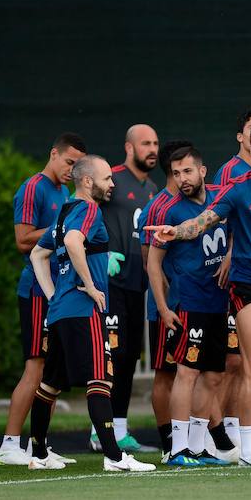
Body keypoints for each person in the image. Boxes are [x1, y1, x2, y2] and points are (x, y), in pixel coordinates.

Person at [146, 122, 251, 466]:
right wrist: (175, 231)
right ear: (249, 150)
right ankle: (248, 448)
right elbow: (202, 222)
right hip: (247, 287)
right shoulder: (236, 189)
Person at [28, 154, 156, 472]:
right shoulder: (87, 208)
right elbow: (73, 242)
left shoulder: (65, 211)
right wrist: (90, 285)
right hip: (84, 309)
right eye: (106, 178)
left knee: (50, 383)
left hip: (60, 311)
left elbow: (38, 254)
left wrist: (54, 295)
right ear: (88, 182)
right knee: (101, 378)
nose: (112, 183)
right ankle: (114, 457)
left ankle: (39, 454)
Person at [0, 133, 86, 466]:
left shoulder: (64, 190)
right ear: (53, 154)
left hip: (57, 291)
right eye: (68, 162)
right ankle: (9, 445)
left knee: (52, 373)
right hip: (36, 290)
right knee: (35, 368)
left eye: (78, 165)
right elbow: (22, 239)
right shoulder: (34, 187)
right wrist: (63, 229)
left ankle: (39, 446)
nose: (72, 170)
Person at [148, 147, 233, 466]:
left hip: (219, 303)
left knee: (213, 377)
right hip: (188, 303)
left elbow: (242, 227)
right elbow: (153, 263)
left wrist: (230, 255)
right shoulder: (170, 211)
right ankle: (177, 448)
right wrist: (162, 307)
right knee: (186, 372)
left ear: (202, 170)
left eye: (187, 171)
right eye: (176, 173)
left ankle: (198, 447)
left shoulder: (222, 200)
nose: (181, 178)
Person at [96, 124, 159, 453]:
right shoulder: (111, 178)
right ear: (129, 147)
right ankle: (100, 431)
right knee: (113, 356)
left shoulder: (152, 187)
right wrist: (99, 251)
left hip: (138, 283)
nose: (152, 149)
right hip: (110, 283)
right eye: (145, 143)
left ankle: (119, 429)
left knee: (130, 356)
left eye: (155, 143)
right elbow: (84, 211)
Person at [213, 108, 251, 449]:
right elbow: (222, 217)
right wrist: (231, 253)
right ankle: (219, 432)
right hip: (231, 277)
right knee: (233, 361)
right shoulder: (230, 172)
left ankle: (239, 426)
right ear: (241, 137)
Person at [137, 139, 192, 460]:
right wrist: (166, 299)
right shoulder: (158, 206)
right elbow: (150, 260)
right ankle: (168, 441)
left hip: (196, 303)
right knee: (166, 372)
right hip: (169, 306)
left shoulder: (198, 200)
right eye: (181, 167)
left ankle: (196, 437)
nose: (187, 173)